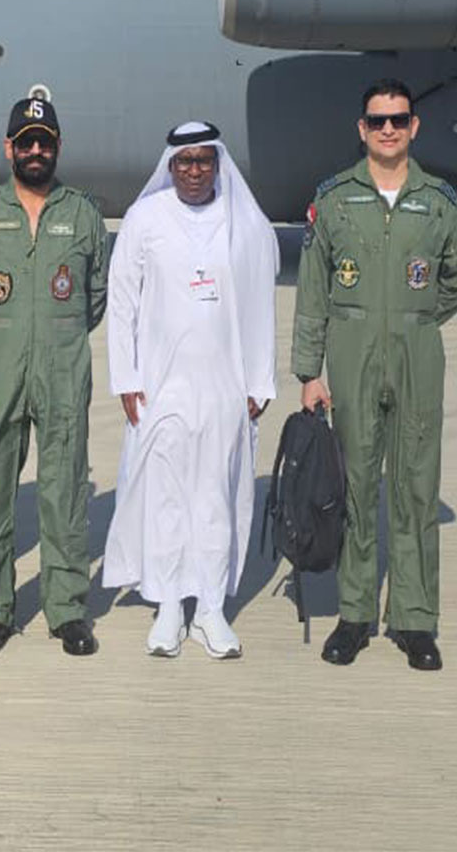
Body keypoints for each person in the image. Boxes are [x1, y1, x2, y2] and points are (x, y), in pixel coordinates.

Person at [294, 78, 457, 671]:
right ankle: (354, 615)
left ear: (414, 126)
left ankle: (415, 619)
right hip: (351, 354)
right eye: (378, 121)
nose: (389, 129)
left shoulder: (439, 200)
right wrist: (309, 371)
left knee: (416, 486)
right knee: (353, 485)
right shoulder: (334, 199)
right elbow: (313, 290)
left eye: (399, 119)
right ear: (362, 129)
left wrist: (416, 319)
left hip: (416, 356)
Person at [103, 121, 277, 658]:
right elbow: (122, 301)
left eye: (204, 160)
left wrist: (260, 379)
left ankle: (210, 609)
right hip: (161, 386)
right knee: (165, 497)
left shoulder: (243, 222)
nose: (195, 171)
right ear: (171, 166)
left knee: (215, 497)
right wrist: (127, 378)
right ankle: (169, 606)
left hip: (226, 385)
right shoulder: (145, 219)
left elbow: (260, 304)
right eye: (185, 161)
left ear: (218, 164)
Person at [0, 97, 107, 657]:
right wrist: (7, 336)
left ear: (57, 146)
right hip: (2, 374)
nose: (35, 150)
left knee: (64, 489)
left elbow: (95, 296)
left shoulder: (83, 214)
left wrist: (54, 336)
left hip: (63, 372)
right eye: (26, 141)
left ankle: (66, 609)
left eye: (44, 141)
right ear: (9, 148)